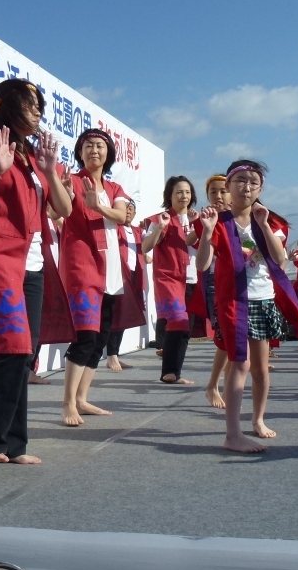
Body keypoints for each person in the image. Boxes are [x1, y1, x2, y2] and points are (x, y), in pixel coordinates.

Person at [0, 80, 73, 463]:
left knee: (26, 354)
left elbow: (65, 210)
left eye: (39, 107)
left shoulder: (36, 159)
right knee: (12, 346)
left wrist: (50, 172)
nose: (38, 113)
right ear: (8, 106)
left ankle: (14, 444)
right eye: (30, 104)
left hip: (33, 262)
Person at [196, 160, 298, 452]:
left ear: (260, 189)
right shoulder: (219, 221)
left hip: (263, 298)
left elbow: (280, 260)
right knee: (239, 363)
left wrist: (264, 224)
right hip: (233, 301)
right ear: (229, 186)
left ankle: (258, 419)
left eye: (253, 182)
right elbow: (203, 264)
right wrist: (207, 233)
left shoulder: (269, 220)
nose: (246, 187)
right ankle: (232, 434)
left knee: (261, 368)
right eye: (240, 180)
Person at [59, 128, 139, 425]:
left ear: (109, 154)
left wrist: (97, 206)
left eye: (100, 146)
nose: (94, 150)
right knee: (85, 335)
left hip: (111, 270)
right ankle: (68, 403)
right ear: (80, 152)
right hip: (83, 266)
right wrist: (69, 195)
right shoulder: (72, 181)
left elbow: (122, 216)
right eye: (88, 146)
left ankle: (82, 399)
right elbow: (60, 209)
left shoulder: (114, 188)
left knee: (101, 337)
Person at [141, 176, 201, 385]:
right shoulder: (161, 219)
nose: (184, 196)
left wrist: (199, 225)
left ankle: (175, 372)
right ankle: (169, 371)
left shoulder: (198, 218)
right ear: (170, 195)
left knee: (185, 328)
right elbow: (146, 247)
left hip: (192, 277)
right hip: (169, 277)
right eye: (179, 192)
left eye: (187, 192)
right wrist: (160, 227)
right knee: (177, 319)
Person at [194, 175, 234, 408]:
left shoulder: (244, 218)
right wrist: (205, 228)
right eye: (213, 192)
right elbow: (201, 258)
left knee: (235, 342)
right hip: (216, 284)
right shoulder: (208, 220)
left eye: (223, 191)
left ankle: (225, 389)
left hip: (244, 287)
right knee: (227, 338)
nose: (218, 196)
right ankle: (214, 386)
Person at [105, 200, 147, 371]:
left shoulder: (138, 231)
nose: (128, 211)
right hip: (120, 274)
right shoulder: (115, 228)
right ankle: (111, 355)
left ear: (135, 213)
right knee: (115, 315)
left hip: (135, 276)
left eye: (131, 209)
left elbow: (150, 245)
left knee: (124, 316)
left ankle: (115, 353)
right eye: (126, 208)